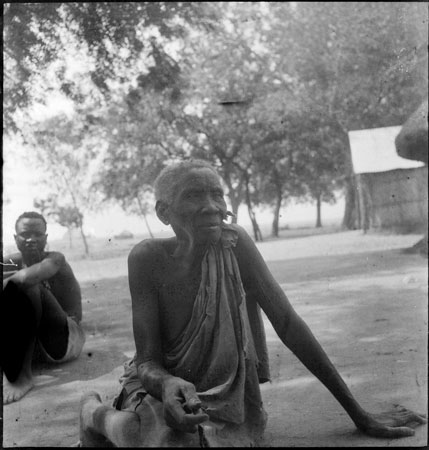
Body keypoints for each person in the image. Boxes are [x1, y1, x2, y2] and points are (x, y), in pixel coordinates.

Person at [78, 160, 425, 447]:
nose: (211, 206)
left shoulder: (234, 244)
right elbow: (148, 361)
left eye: (217, 194)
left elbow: (288, 323)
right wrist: (167, 384)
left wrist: (359, 413)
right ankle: (93, 414)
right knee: (167, 442)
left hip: (225, 393)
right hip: (161, 385)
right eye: (193, 195)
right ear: (163, 212)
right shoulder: (147, 258)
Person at [2, 211, 85, 404]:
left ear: (46, 238)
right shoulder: (8, 262)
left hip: (64, 338)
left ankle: (21, 377)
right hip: (34, 343)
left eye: (38, 234)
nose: (31, 239)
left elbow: (25, 279)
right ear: (15, 238)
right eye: (25, 234)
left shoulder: (55, 259)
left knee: (29, 286)